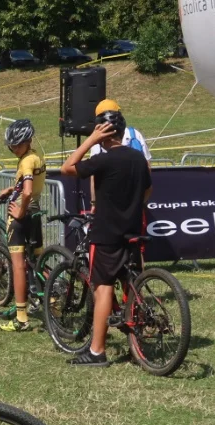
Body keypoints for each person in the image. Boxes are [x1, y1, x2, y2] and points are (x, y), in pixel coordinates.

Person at [59, 110, 153, 367]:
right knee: (130, 284)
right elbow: (148, 188)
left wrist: (89, 141)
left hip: (107, 235)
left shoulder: (104, 160)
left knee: (103, 289)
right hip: (132, 231)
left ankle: (97, 351)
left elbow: (66, 167)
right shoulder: (137, 158)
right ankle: (140, 334)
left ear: (104, 132)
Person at [0, 119, 46, 332]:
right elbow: (30, 185)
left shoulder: (25, 162)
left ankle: (21, 318)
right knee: (39, 260)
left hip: (20, 215)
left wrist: (20, 210)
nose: (13, 149)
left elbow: (26, 191)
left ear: (28, 141)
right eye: (11, 146)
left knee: (18, 266)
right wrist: (11, 188)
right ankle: (52, 305)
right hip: (35, 212)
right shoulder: (35, 157)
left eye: (17, 145)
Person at [88, 99, 152, 210]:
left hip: (116, 202)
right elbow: (147, 170)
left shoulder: (134, 135)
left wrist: (94, 202)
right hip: (130, 201)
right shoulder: (135, 135)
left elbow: (94, 176)